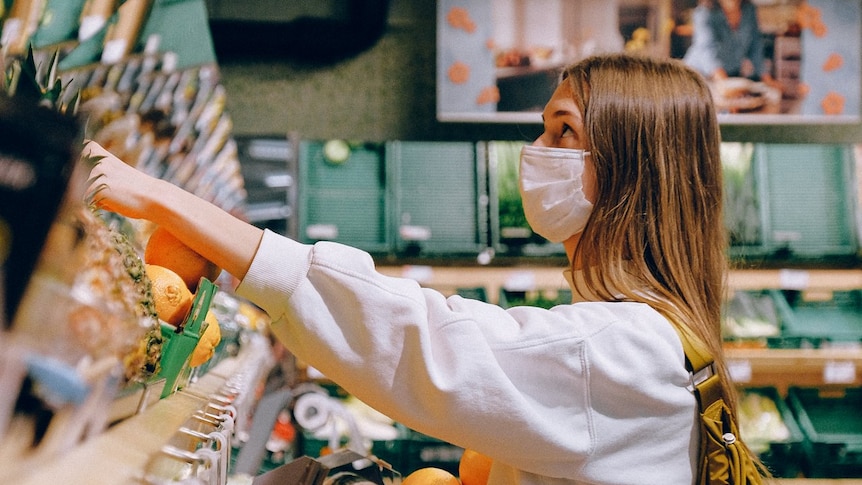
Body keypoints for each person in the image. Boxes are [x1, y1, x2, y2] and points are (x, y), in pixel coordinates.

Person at [85, 53, 763, 484]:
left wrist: (159, 198)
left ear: (630, 165)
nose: (536, 149)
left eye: (564, 131)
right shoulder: (662, 337)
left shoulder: (620, 349)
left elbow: (422, 338)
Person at [683, 0, 780, 88]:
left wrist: (767, 79)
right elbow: (707, 50)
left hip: (729, 75)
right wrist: (725, 85)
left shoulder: (749, 10)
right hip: (699, 77)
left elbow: (755, 46)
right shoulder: (704, 13)